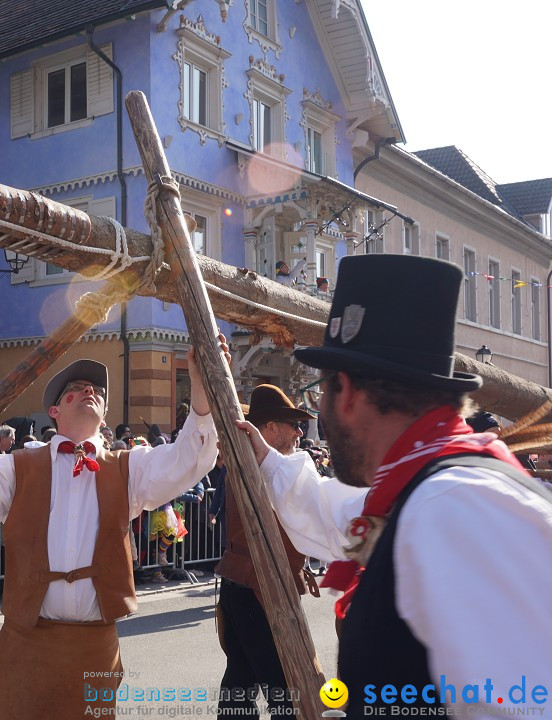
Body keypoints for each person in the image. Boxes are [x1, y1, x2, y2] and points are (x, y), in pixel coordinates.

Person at [235, 255, 552, 717]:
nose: (319, 408)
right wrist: (268, 459)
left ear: (346, 392)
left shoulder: (455, 507)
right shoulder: (427, 491)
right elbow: (335, 515)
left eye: (322, 388)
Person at [0, 339, 223, 719]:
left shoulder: (127, 468)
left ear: (103, 417)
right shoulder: (16, 466)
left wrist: (199, 384)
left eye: (97, 391)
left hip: (94, 645)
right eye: (75, 389)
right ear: (54, 410)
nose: (89, 391)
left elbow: (190, 457)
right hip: (26, 642)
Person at [214, 384, 319, 720]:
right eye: (293, 425)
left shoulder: (258, 461)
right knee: (283, 685)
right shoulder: (259, 465)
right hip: (258, 586)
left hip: (248, 584)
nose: (300, 432)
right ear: (270, 428)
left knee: (241, 681)